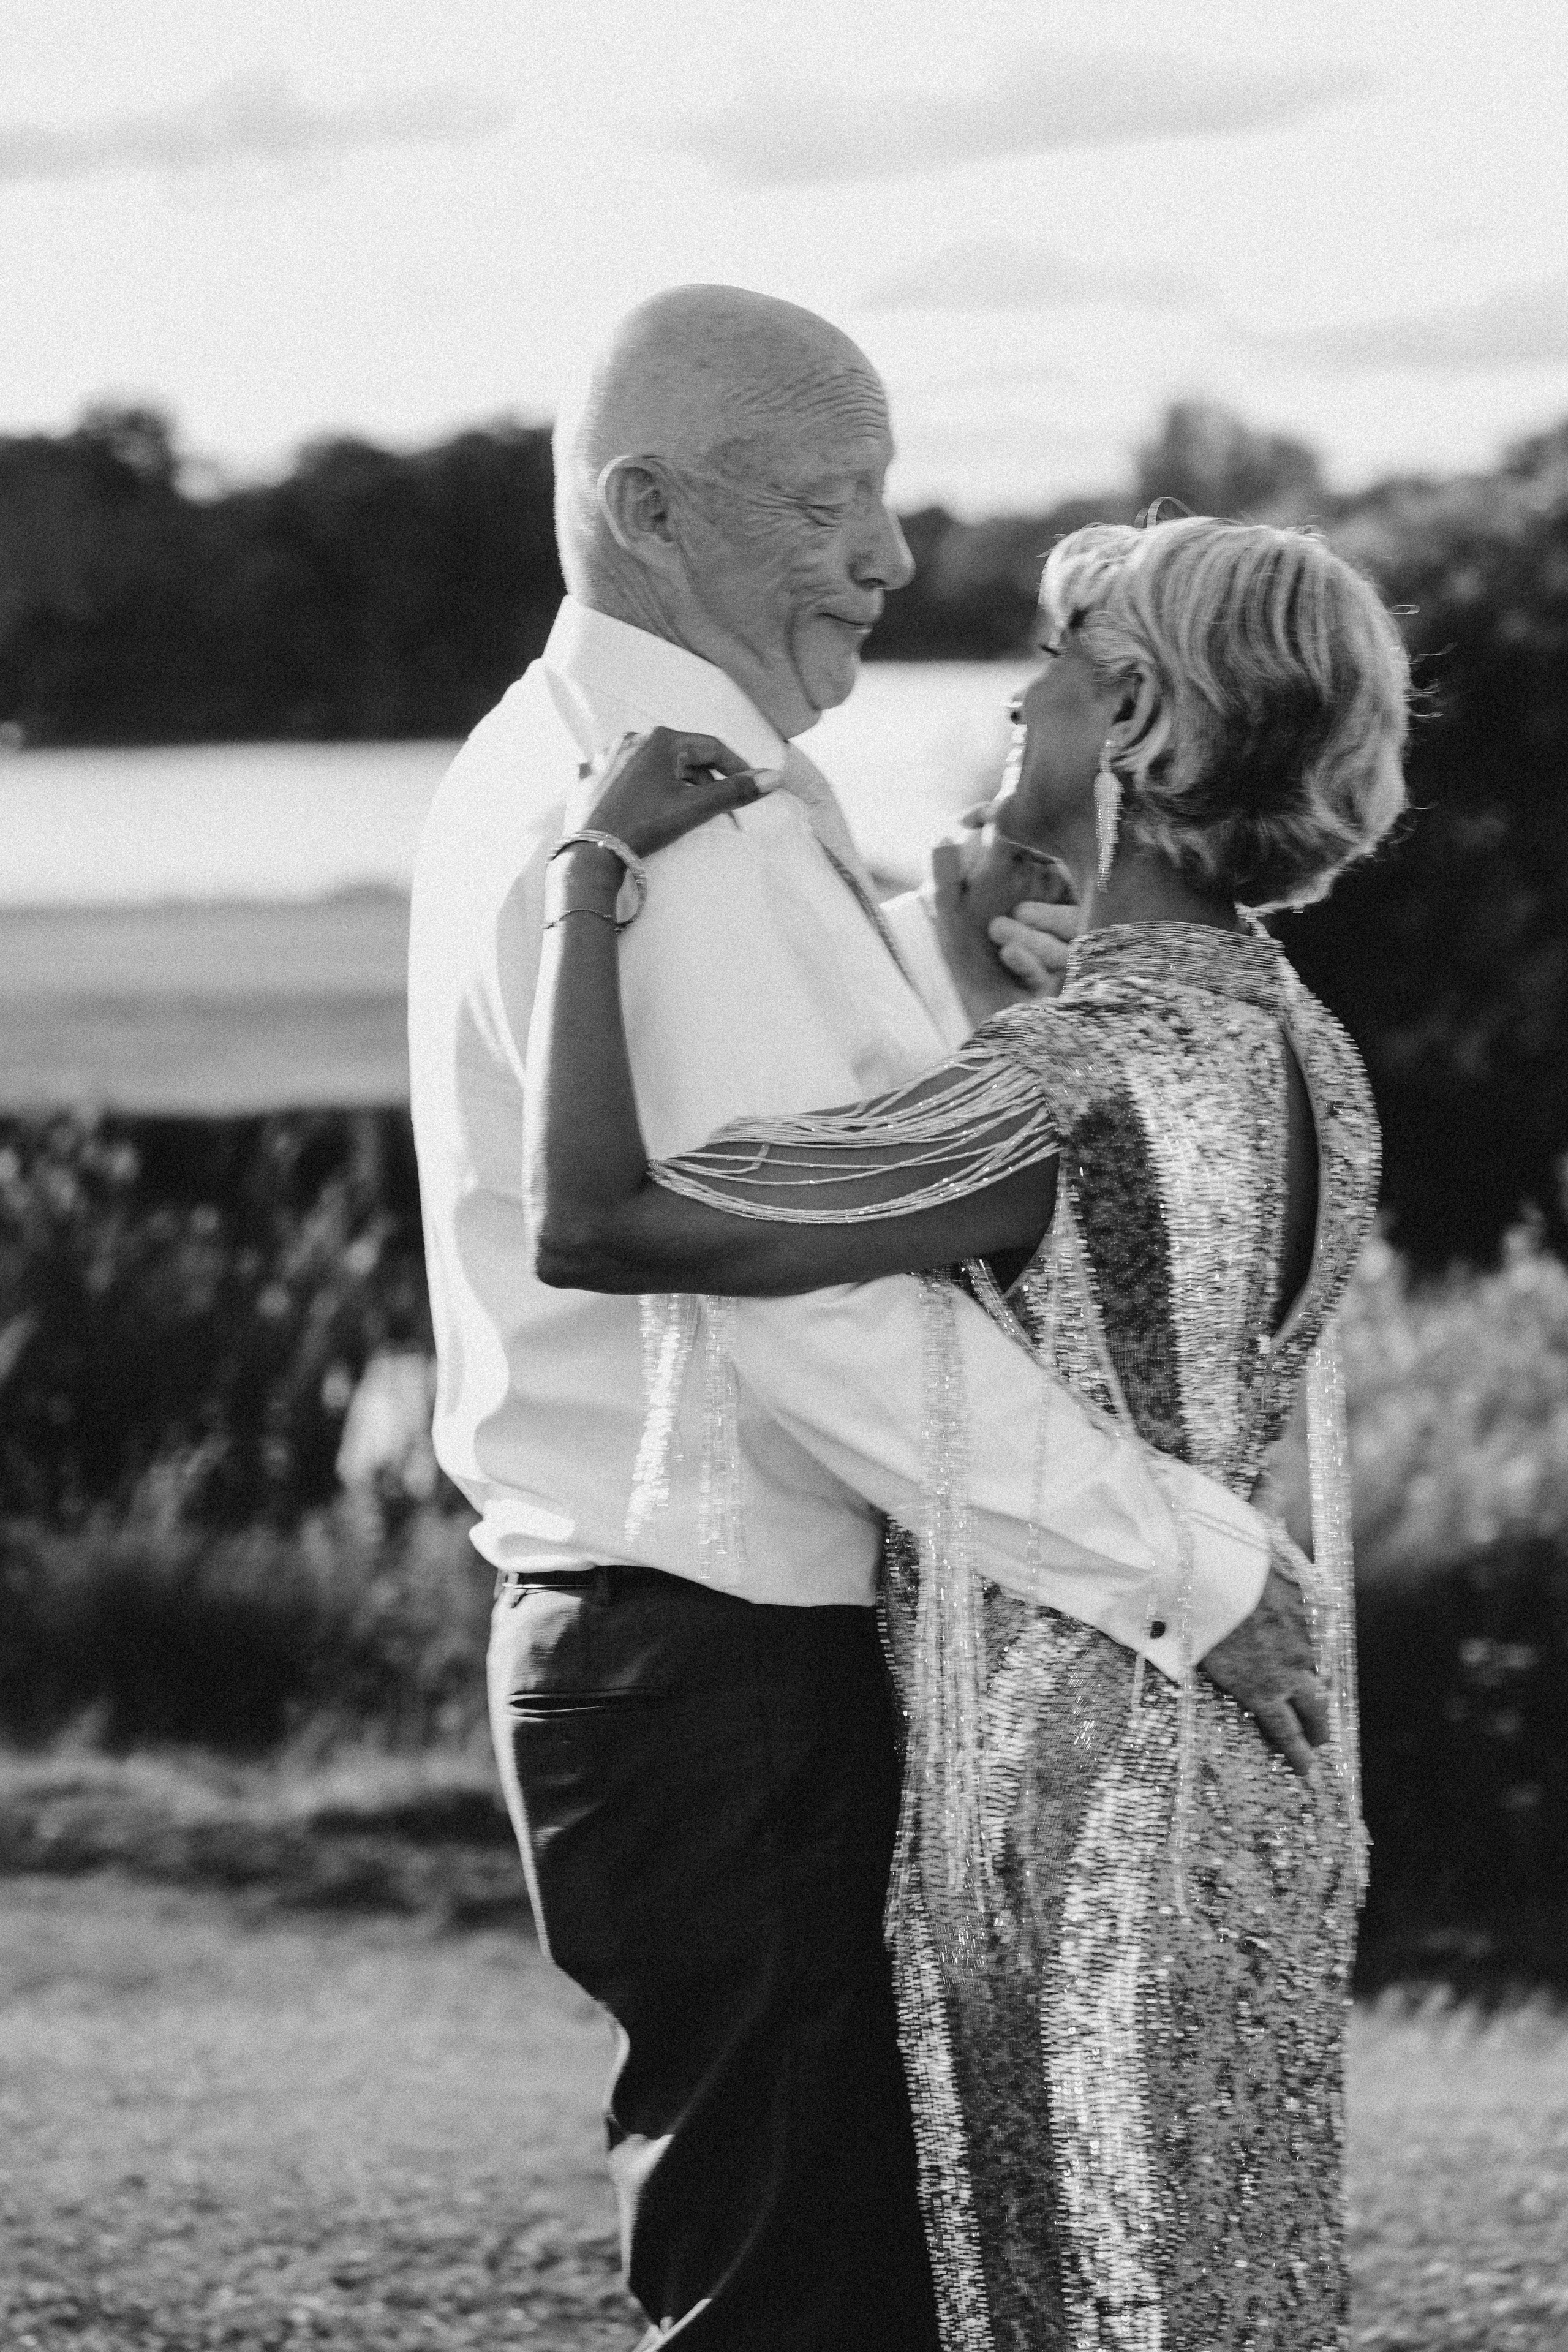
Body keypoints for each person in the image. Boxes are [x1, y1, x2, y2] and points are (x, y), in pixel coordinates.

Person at [408, 283, 1314, 2352]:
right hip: (722, 1670)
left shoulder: (585, 764)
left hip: (662, 1662)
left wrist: (933, 956)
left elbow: (810, 1154)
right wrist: (1180, 1562)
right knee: (801, 2301)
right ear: (646, 506)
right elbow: (818, 1328)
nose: (895, 559)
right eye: (833, 503)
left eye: (885, 497)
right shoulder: (692, 825)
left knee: (802, 2276)